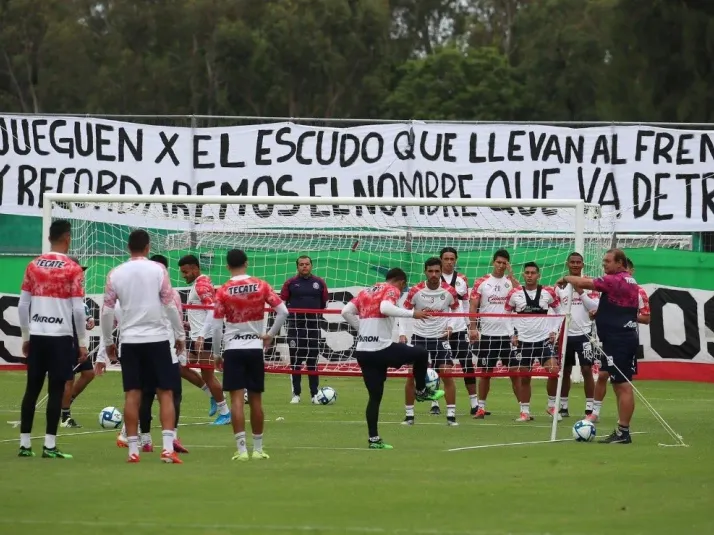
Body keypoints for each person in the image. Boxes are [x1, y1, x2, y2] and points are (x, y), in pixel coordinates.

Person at [101, 229, 185, 463]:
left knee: (132, 394)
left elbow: (107, 311)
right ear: (148, 247)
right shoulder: (158, 269)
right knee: (166, 392)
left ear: (128, 248)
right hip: (157, 338)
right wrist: (180, 334)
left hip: (130, 340)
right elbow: (169, 304)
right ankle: (167, 449)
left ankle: (133, 450)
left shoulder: (115, 273)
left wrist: (108, 342)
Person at [341, 268, 445, 450]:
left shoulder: (366, 291)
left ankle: (374, 440)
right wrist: (414, 314)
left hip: (364, 351)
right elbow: (385, 308)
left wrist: (363, 330)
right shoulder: (391, 289)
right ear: (401, 282)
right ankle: (421, 392)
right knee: (421, 354)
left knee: (374, 397)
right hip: (381, 349)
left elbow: (345, 311)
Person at [17, 220, 88, 458]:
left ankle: (25, 444)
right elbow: (78, 310)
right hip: (60, 337)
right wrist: (82, 344)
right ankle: (49, 445)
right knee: (56, 390)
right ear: (67, 237)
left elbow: (23, 304)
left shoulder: (34, 265)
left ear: (49, 237)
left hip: (37, 334)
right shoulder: (72, 268)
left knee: (32, 389)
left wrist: (26, 335)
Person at [211, 249, 289, 461]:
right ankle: (258, 449)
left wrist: (217, 354)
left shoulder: (223, 290)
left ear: (227, 266)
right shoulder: (261, 285)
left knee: (236, 400)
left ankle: (242, 450)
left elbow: (216, 327)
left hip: (233, 348)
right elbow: (283, 312)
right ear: (246, 263)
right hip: (255, 347)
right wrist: (270, 335)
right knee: (256, 400)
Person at [556, 248, 639, 444]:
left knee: (623, 385)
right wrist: (600, 314)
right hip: (618, 338)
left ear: (620, 263)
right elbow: (618, 305)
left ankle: (623, 432)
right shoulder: (626, 280)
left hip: (619, 339)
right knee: (617, 384)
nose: (604, 265)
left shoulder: (616, 279)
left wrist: (567, 278)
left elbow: (585, 282)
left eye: (607, 261)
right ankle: (621, 430)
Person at [587, 256, 650, 423]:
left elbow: (646, 318)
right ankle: (595, 412)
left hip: (623, 338)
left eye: (628, 271)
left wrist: (625, 316)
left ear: (631, 271)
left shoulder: (638, 291)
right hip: (610, 340)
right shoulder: (611, 287)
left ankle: (622, 424)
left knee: (620, 382)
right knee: (602, 375)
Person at [398, 257, 460, 426]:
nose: (434, 275)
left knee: (447, 374)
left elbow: (457, 309)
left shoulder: (449, 291)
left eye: (437, 271)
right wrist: (402, 332)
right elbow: (404, 311)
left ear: (441, 272)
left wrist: (451, 327)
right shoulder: (416, 290)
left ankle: (451, 416)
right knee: (411, 376)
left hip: (440, 339)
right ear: (425, 271)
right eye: (430, 271)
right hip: (419, 338)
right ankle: (409, 416)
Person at [504, 262, 561, 422]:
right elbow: (506, 314)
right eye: (527, 272)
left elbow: (560, 312)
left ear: (538, 275)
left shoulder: (548, 292)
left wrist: (554, 330)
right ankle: (524, 412)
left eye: (533, 273)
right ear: (523, 275)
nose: (530, 275)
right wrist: (511, 335)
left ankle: (551, 406)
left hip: (543, 340)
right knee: (524, 377)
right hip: (523, 342)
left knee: (554, 371)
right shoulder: (514, 293)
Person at [468, 249, 521, 419]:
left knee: (514, 372)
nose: (500, 266)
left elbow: (522, 296)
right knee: (485, 373)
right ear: (493, 262)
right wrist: (473, 327)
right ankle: (481, 408)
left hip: (507, 335)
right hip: (488, 335)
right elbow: (473, 305)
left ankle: (524, 410)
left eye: (504, 263)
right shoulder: (481, 282)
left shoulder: (510, 282)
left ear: (507, 265)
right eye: (498, 262)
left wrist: (512, 275)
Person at [178, 254, 231, 425]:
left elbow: (212, 310)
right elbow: (202, 312)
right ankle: (213, 397)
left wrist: (201, 334)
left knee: (208, 375)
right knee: (180, 367)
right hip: (196, 337)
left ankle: (225, 412)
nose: (184, 275)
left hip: (205, 338)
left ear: (195, 268)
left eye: (186, 272)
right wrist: (189, 325)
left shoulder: (201, 284)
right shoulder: (198, 284)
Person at [548, 252, 599, 419]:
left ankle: (589, 408)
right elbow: (555, 310)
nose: (576, 265)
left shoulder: (590, 283)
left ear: (583, 265)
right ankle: (563, 406)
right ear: (567, 264)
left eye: (578, 262)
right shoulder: (559, 287)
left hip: (584, 334)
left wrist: (579, 288)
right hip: (565, 334)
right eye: (573, 262)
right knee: (565, 370)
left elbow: (593, 306)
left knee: (586, 369)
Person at [280, 255, 328, 404]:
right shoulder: (290, 283)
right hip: (295, 327)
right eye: (301, 264)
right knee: (296, 361)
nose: (304, 267)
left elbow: (324, 305)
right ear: (297, 267)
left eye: (307, 264)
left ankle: (315, 394)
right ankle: (296, 394)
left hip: (313, 327)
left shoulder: (319, 283)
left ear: (311, 266)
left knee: (312, 361)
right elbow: (282, 304)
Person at [437, 247, 479, 416]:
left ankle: (475, 404)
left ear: (456, 260)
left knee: (467, 364)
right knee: (438, 366)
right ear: (441, 260)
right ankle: (435, 403)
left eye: (451, 259)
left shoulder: (462, 279)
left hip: (459, 329)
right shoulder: (434, 278)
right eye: (446, 259)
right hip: (439, 329)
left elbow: (466, 303)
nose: (449, 262)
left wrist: (471, 326)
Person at [59, 257, 96, 429]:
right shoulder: (61, 292)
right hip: (66, 339)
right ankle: (65, 416)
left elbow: (83, 312)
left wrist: (89, 320)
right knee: (68, 379)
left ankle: (66, 403)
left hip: (76, 338)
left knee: (89, 373)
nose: (82, 274)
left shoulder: (78, 291)